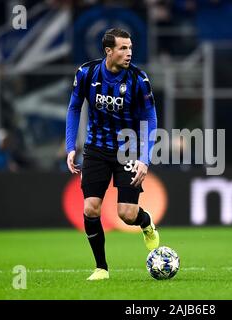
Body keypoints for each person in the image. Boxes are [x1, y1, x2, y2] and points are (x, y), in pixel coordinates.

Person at [65, 28, 159, 281]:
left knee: (126, 214)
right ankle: (101, 268)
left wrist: (144, 158)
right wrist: (70, 146)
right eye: (123, 48)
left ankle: (146, 222)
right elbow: (74, 108)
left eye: (130, 48)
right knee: (90, 209)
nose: (129, 53)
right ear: (109, 51)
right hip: (95, 149)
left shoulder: (139, 79)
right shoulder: (87, 73)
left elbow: (150, 117)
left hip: (127, 150)